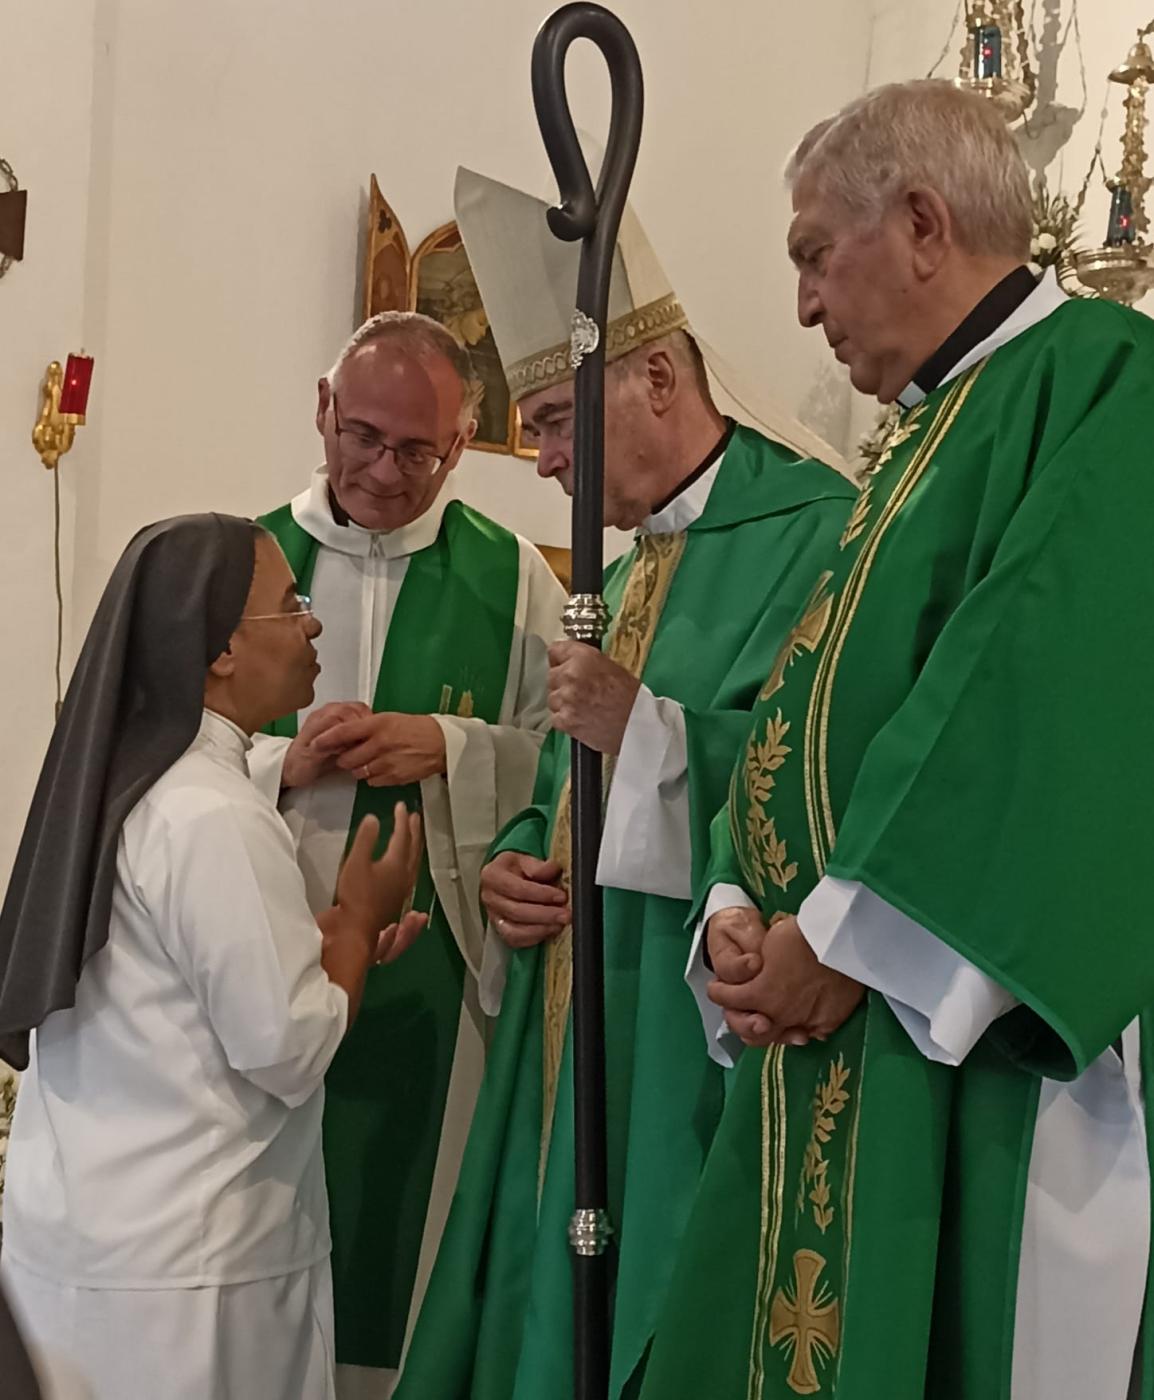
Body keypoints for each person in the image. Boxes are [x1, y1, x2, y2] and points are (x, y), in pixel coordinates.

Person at [641, 79, 1154, 1400]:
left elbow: (1041, 691)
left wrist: (847, 933)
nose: (803, 305)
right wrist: (737, 906)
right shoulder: (919, 433)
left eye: (816, 254)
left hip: (962, 1028)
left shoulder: (1102, 380)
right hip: (833, 1009)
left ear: (922, 223)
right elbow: (802, 713)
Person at [395, 167, 856, 1400]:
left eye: (550, 420)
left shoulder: (818, 531)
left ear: (656, 376)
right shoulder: (635, 550)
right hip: (574, 1003)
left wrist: (645, 726)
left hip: (686, 1026)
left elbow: (814, 784)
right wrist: (522, 849)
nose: (539, 459)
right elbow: (568, 762)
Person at [0, 515, 423, 1400]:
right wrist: (351, 926)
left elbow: (163, 986)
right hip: (193, 1280)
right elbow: (286, 1047)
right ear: (220, 649)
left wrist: (318, 951)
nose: (312, 624)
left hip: (86, 1243)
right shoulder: (213, 813)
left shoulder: (122, 781)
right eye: (289, 605)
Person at [249, 312, 565, 1397]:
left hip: (437, 968)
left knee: (404, 1224)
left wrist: (450, 745)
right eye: (364, 435)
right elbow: (155, 751)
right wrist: (278, 766)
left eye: (418, 450)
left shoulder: (516, 577)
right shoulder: (243, 562)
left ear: (466, 437)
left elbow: (567, 760)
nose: (384, 471)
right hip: (263, 957)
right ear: (323, 408)